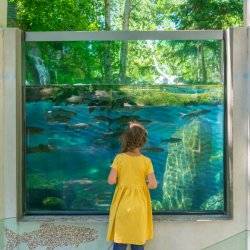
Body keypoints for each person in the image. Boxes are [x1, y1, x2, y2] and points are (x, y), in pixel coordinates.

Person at [106, 121, 158, 250]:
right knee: (138, 242)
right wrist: (144, 182)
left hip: (122, 206)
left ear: (125, 139)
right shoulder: (147, 161)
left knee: (120, 241)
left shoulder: (119, 158)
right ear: (143, 141)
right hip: (140, 207)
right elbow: (153, 185)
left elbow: (111, 181)